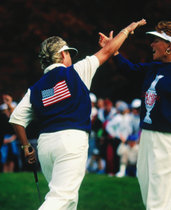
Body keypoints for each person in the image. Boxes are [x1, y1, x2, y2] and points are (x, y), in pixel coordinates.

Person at [9, 19, 146, 210]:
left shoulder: (35, 88)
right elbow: (107, 51)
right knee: (61, 197)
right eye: (69, 54)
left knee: (68, 201)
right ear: (62, 54)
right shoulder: (77, 71)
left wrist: (25, 146)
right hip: (71, 140)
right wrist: (127, 29)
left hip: (45, 145)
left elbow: (16, 118)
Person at [99, 20, 171, 210]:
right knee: (150, 197)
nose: (152, 44)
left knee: (157, 201)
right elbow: (128, 69)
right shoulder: (154, 67)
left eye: (156, 40)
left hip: (168, 141)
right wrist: (112, 50)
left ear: (169, 46)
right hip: (147, 136)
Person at [105, 101, 133, 175]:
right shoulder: (117, 118)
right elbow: (108, 126)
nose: (127, 110)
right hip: (118, 139)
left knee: (124, 154)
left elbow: (129, 128)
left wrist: (128, 135)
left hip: (126, 139)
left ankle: (123, 171)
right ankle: (115, 170)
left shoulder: (128, 118)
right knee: (116, 155)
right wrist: (113, 134)